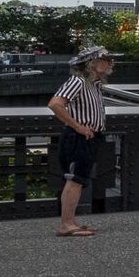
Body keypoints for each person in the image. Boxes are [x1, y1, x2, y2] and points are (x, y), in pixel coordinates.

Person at [46, 45, 112, 238]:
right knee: (74, 179)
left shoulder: (93, 84)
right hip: (78, 137)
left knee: (79, 178)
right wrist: (77, 126)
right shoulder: (78, 81)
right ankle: (66, 224)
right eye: (105, 59)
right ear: (92, 63)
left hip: (88, 136)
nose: (110, 63)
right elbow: (55, 104)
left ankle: (71, 221)